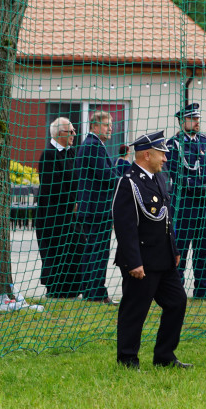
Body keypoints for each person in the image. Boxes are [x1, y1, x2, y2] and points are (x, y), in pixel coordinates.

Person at [111, 131, 191, 369]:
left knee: (177, 302)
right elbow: (124, 226)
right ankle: (127, 359)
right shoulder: (129, 182)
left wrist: (174, 250)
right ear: (147, 154)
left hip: (163, 259)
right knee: (135, 311)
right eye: (161, 154)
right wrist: (134, 262)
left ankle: (165, 356)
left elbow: (166, 219)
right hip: (141, 262)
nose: (165, 159)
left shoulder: (158, 178)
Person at [166, 103, 206, 299]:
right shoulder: (173, 144)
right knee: (180, 251)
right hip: (185, 207)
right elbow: (177, 175)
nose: (197, 122)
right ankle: (176, 290)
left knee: (202, 250)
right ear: (182, 121)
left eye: (198, 119)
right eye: (193, 119)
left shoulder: (205, 142)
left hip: (203, 206)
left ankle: (201, 290)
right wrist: (199, 187)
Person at [75, 110, 118, 304]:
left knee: (95, 250)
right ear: (94, 126)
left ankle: (94, 291)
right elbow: (106, 176)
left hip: (95, 208)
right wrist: (126, 180)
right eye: (106, 124)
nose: (111, 128)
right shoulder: (92, 146)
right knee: (97, 251)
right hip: (96, 209)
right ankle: (95, 293)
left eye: (110, 124)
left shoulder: (94, 145)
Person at [36, 117, 80, 298]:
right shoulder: (49, 155)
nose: (74, 135)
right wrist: (73, 202)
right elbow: (53, 187)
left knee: (75, 248)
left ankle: (72, 290)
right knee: (56, 254)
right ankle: (56, 291)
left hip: (70, 214)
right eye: (70, 132)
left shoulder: (71, 152)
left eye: (74, 131)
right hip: (53, 216)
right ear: (59, 133)